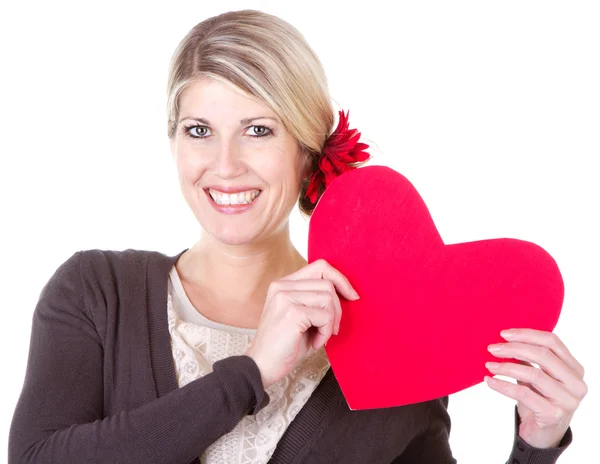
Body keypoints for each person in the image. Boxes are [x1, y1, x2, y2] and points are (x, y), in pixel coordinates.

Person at [8, 9, 587, 464]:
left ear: (308, 150)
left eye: (258, 130)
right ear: (173, 143)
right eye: (199, 130)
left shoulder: (388, 336)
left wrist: (536, 446)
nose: (225, 164)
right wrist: (252, 372)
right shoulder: (98, 291)